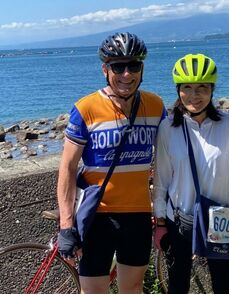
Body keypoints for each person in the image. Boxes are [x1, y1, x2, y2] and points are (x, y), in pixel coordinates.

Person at [57, 32, 166, 294]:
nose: (126, 74)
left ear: (142, 68)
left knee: (133, 288)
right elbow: (68, 168)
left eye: (134, 66)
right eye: (118, 66)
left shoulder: (155, 105)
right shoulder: (86, 108)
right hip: (98, 217)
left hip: (138, 214)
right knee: (94, 291)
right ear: (105, 69)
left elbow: (168, 160)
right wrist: (66, 225)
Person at [152, 53, 229, 294]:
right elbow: (161, 179)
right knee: (177, 284)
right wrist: (160, 222)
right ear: (178, 90)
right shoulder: (168, 128)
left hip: (220, 217)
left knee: (223, 285)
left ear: (212, 89)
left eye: (202, 87)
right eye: (187, 88)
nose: (195, 95)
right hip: (179, 219)